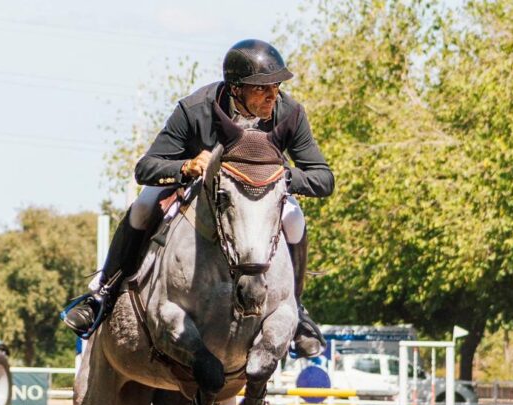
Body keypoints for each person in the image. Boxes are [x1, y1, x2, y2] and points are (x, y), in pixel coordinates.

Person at [62, 38, 334, 357]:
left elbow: (322, 177)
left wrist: (281, 176)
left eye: (275, 86)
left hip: (258, 197)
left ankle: (297, 310)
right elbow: (146, 168)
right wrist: (186, 166)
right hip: (196, 192)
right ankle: (103, 293)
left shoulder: (289, 113)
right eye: (261, 88)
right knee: (143, 205)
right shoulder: (194, 109)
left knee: (294, 218)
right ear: (235, 89)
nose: (272, 95)